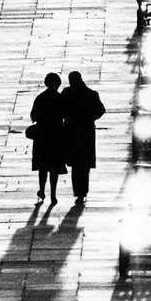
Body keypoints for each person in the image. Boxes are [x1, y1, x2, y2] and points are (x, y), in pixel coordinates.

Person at [61, 71, 105, 204]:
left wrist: (67, 118)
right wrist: (90, 118)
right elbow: (101, 110)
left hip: (71, 131)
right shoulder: (91, 94)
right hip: (86, 132)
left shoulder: (66, 93)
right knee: (84, 165)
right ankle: (83, 192)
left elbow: (60, 109)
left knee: (75, 165)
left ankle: (78, 192)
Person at [29, 72, 67, 205]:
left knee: (43, 166)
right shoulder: (60, 98)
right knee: (54, 166)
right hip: (56, 135)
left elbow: (33, 116)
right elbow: (65, 115)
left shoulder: (40, 98)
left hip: (42, 136)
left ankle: (42, 190)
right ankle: (53, 194)